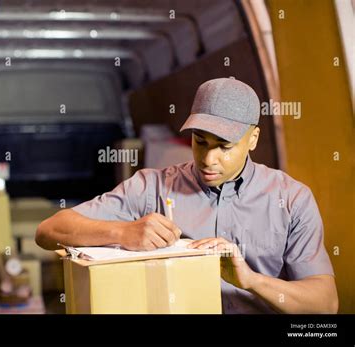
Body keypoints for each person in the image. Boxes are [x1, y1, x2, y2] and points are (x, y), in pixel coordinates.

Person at [35, 77, 338, 314]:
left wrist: (252, 281)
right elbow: (48, 231)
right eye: (200, 141)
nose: (208, 159)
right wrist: (123, 232)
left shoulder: (292, 199)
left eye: (224, 146)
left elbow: (326, 304)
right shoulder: (150, 187)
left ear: (253, 139)